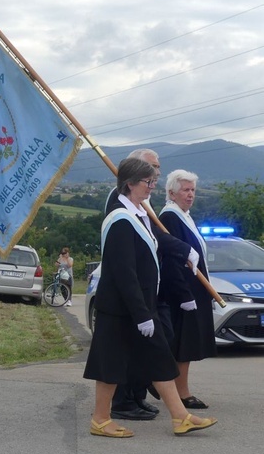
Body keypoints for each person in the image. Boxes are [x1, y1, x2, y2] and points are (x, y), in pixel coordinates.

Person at [83, 158, 217, 438]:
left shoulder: (137, 214)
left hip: (142, 305)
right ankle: (100, 419)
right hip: (123, 308)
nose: (151, 188)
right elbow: (123, 272)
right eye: (147, 183)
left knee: (159, 359)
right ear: (130, 184)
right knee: (110, 364)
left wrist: (184, 251)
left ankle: (180, 417)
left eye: (153, 182)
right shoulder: (120, 219)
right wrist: (142, 314)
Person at [104, 148, 196, 421]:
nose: (156, 175)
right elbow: (125, 259)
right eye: (151, 170)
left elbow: (154, 236)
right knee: (132, 352)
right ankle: (124, 402)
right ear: (133, 176)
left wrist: (183, 249)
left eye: (157, 168)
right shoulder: (120, 206)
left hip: (149, 291)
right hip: (133, 296)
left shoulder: (141, 205)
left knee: (157, 345)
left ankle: (137, 396)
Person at [158, 170, 217, 409]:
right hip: (182, 291)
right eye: (185, 189)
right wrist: (184, 295)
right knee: (184, 344)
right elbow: (172, 259)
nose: (190, 194)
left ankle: (175, 389)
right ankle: (181, 393)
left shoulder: (185, 216)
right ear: (171, 192)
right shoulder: (170, 217)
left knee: (188, 344)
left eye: (193, 190)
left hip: (193, 289)